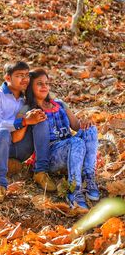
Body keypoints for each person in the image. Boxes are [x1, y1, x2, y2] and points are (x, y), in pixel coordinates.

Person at [17, 68, 100, 209]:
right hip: (50, 155)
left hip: (71, 146)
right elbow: (19, 126)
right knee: (76, 141)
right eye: (39, 84)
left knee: (90, 130)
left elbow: (76, 125)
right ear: (31, 87)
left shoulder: (59, 104)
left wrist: (84, 123)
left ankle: (88, 177)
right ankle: (74, 190)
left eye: (46, 83)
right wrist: (26, 120)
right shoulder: (28, 108)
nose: (44, 87)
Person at [0, 61, 56, 203]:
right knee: (3, 132)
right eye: (19, 75)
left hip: (19, 147)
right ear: (7, 78)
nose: (25, 79)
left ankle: (41, 172)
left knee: (40, 121)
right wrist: (23, 122)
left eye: (26, 75)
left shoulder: (25, 100)